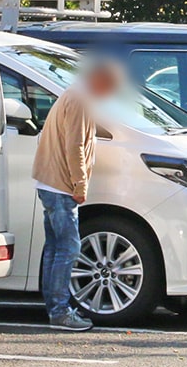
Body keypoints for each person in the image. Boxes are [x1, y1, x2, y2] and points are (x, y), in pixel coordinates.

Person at [31, 59, 121, 331]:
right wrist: (80, 184)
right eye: (110, 88)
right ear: (100, 81)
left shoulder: (73, 93)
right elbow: (75, 146)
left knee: (55, 248)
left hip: (48, 182)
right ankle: (60, 311)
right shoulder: (81, 100)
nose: (109, 95)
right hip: (61, 185)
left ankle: (54, 306)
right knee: (69, 248)